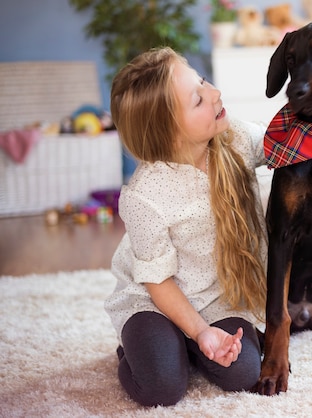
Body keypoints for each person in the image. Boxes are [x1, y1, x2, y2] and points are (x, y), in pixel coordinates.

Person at [104, 46, 269, 407]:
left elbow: (287, 145)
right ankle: (143, 348)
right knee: (161, 388)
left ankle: (189, 349)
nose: (215, 93)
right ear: (169, 132)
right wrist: (198, 330)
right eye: (198, 100)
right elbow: (157, 281)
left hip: (217, 300)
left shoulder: (236, 138)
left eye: (204, 81)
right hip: (154, 301)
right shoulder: (144, 196)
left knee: (244, 373)